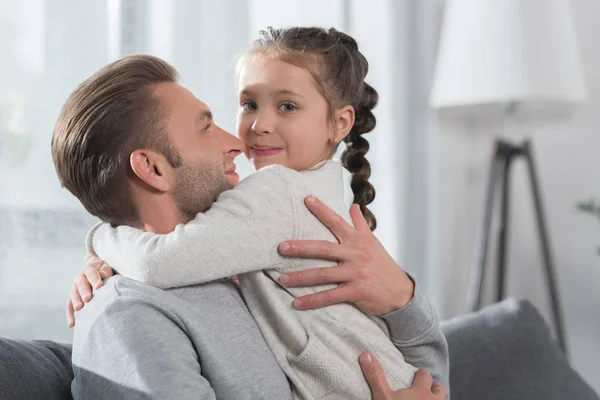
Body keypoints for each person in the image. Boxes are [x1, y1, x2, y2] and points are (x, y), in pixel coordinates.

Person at [77, 27, 447, 399]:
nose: (249, 133)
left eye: (287, 106)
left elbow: (159, 261)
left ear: (340, 123)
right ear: (152, 168)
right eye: (248, 105)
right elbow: (165, 260)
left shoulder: (276, 194)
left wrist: (102, 238)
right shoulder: (129, 316)